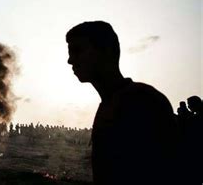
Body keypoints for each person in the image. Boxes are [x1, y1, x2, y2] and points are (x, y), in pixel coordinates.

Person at [66, 21, 177, 185]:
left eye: (77, 51)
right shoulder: (110, 103)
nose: (70, 60)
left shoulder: (142, 101)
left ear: (106, 51)